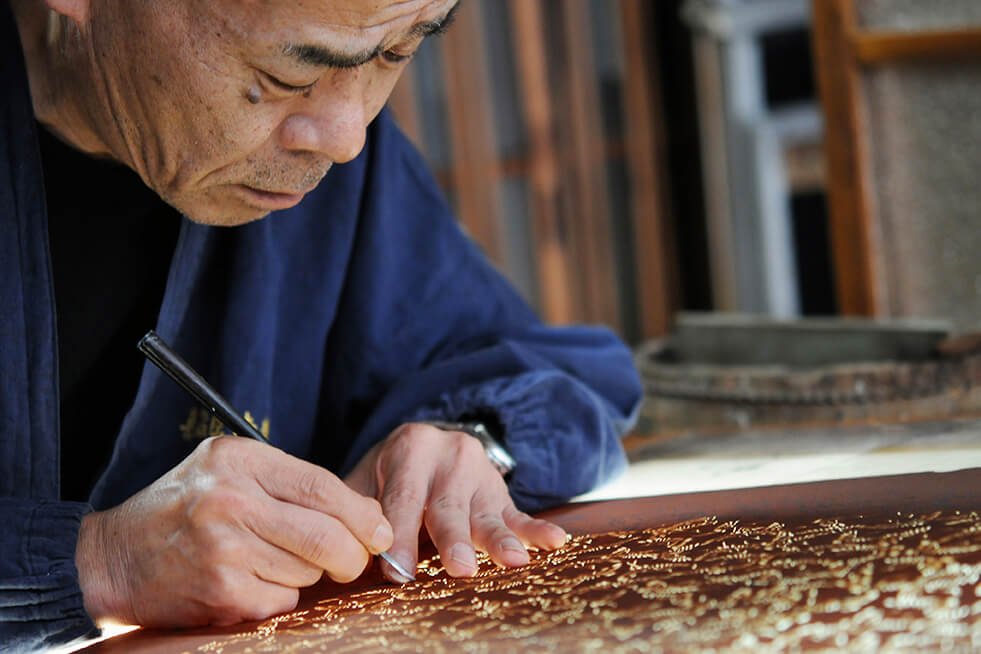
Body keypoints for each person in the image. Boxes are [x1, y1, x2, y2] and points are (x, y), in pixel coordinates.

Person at [0, 0, 642, 650]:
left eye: (397, 53)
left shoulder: (330, 141)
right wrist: (102, 562)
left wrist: (463, 439)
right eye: (286, 74)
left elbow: (531, 368)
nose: (345, 137)